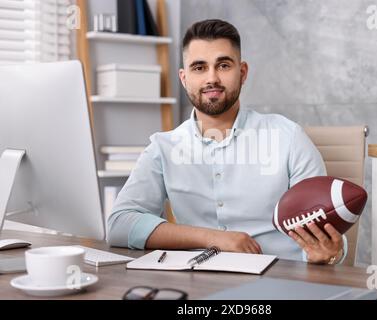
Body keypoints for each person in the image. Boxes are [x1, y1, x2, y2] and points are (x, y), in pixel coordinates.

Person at [107, 19, 346, 264]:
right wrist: (215, 238)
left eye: (223, 65)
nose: (212, 78)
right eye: (199, 67)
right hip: (198, 285)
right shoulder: (163, 147)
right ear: (184, 78)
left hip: (279, 281)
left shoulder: (288, 137)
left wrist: (330, 253)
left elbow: (326, 227)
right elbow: (119, 224)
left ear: (242, 73)